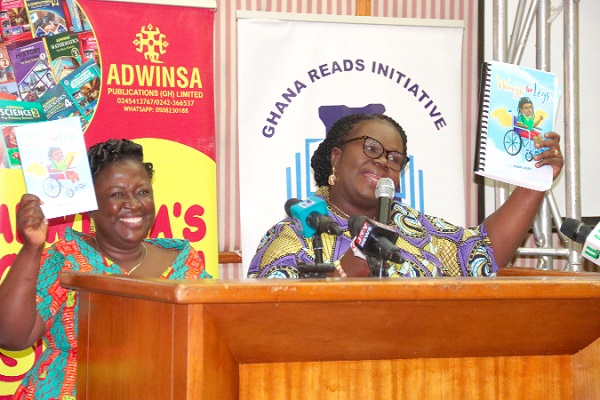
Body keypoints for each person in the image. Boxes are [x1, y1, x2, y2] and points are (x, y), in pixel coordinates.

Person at [0, 138, 211, 399]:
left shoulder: (184, 264)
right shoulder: (66, 260)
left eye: (143, 192)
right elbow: (12, 337)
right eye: (116, 194)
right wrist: (32, 247)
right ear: (90, 205)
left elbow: (214, 338)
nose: (133, 203)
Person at [248, 113, 564, 278]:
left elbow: (484, 254)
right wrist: (351, 266)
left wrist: (532, 182)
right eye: (371, 148)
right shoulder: (295, 234)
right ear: (335, 158)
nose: (384, 160)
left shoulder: (414, 229)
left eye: (395, 158)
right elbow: (272, 311)